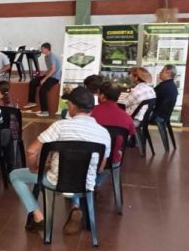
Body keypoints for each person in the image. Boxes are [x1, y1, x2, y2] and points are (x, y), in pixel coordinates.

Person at [9, 87, 110, 235]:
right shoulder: (103, 133)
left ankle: (38, 217)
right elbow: (100, 168)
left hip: (56, 180)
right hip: (85, 183)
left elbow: (31, 150)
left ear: (72, 106)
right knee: (78, 172)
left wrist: (35, 168)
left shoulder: (61, 126)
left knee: (15, 175)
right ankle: (75, 208)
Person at [91, 82, 135, 172]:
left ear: (102, 96)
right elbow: (130, 137)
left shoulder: (90, 112)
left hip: (91, 158)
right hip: (113, 159)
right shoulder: (127, 118)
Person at [25, 42, 62, 117]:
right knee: (33, 82)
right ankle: (32, 101)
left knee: (42, 90)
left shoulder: (52, 56)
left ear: (47, 49)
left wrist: (44, 79)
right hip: (50, 75)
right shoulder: (46, 57)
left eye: (42, 49)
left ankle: (45, 111)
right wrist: (43, 74)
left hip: (55, 78)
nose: (41, 50)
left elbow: (53, 70)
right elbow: (50, 69)